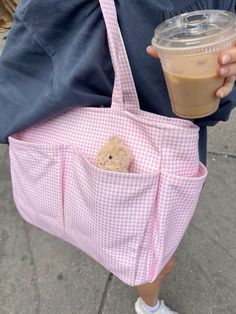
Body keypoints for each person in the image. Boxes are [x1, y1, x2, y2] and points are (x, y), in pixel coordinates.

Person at [0, 1, 235, 313]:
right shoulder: (178, 6)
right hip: (151, 150)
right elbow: (208, 109)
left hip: (66, 170)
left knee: (143, 247)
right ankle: (148, 306)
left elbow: (16, 89)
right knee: (156, 258)